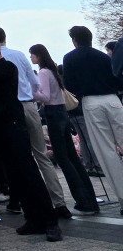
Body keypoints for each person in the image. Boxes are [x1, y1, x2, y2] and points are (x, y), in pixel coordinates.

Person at [0, 36, 61, 241]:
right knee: (15, 175)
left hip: (13, 124)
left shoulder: (7, 66)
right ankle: (33, 218)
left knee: (28, 171)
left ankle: (50, 220)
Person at [0, 26, 69, 219]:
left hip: (9, 112)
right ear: (5, 37)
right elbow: (34, 82)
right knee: (41, 155)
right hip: (29, 106)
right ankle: (59, 203)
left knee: (16, 160)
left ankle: (23, 203)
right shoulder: (20, 55)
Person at [29, 45, 99, 215]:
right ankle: (89, 200)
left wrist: (32, 91)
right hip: (63, 114)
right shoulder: (53, 71)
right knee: (72, 158)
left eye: (32, 55)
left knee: (63, 158)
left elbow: (44, 97)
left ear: (38, 55)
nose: (31, 58)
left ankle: (82, 199)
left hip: (53, 114)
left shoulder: (44, 73)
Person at [64, 26, 123, 211]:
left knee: (106, 152)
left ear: (74, 39)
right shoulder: (103, 56)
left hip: (91, 103)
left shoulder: (70, 58)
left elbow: (69, 85)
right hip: (113, 100)